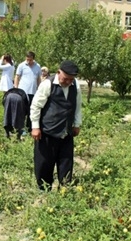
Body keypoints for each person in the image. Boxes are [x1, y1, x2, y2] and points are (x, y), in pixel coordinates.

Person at [30, 60, 82, 191]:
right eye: (66, 78)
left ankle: (65, 189)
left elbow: (77, 106)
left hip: (66, 132)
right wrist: (35, 127)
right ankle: (44, 189)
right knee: (44, 163)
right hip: (47, 132)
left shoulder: (75, 86)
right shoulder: (47, 84)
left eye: (71, 79)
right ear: (59, 72)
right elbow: (36, 106)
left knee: (66, 162)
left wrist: (77, 124)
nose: (68, 82)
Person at [14, 51, 41, 130]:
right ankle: (20, 128)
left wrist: (39, 88)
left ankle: (29, 127)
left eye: (30, 60)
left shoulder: (37, 66)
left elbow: (38, 78)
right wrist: (16, 87)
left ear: (33, 59)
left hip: (33, 92)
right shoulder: (21, 65)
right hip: (23, 92)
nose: (28, 61)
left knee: (31, 110)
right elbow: (17, 76)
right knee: (22, 110)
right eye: (27, 59)